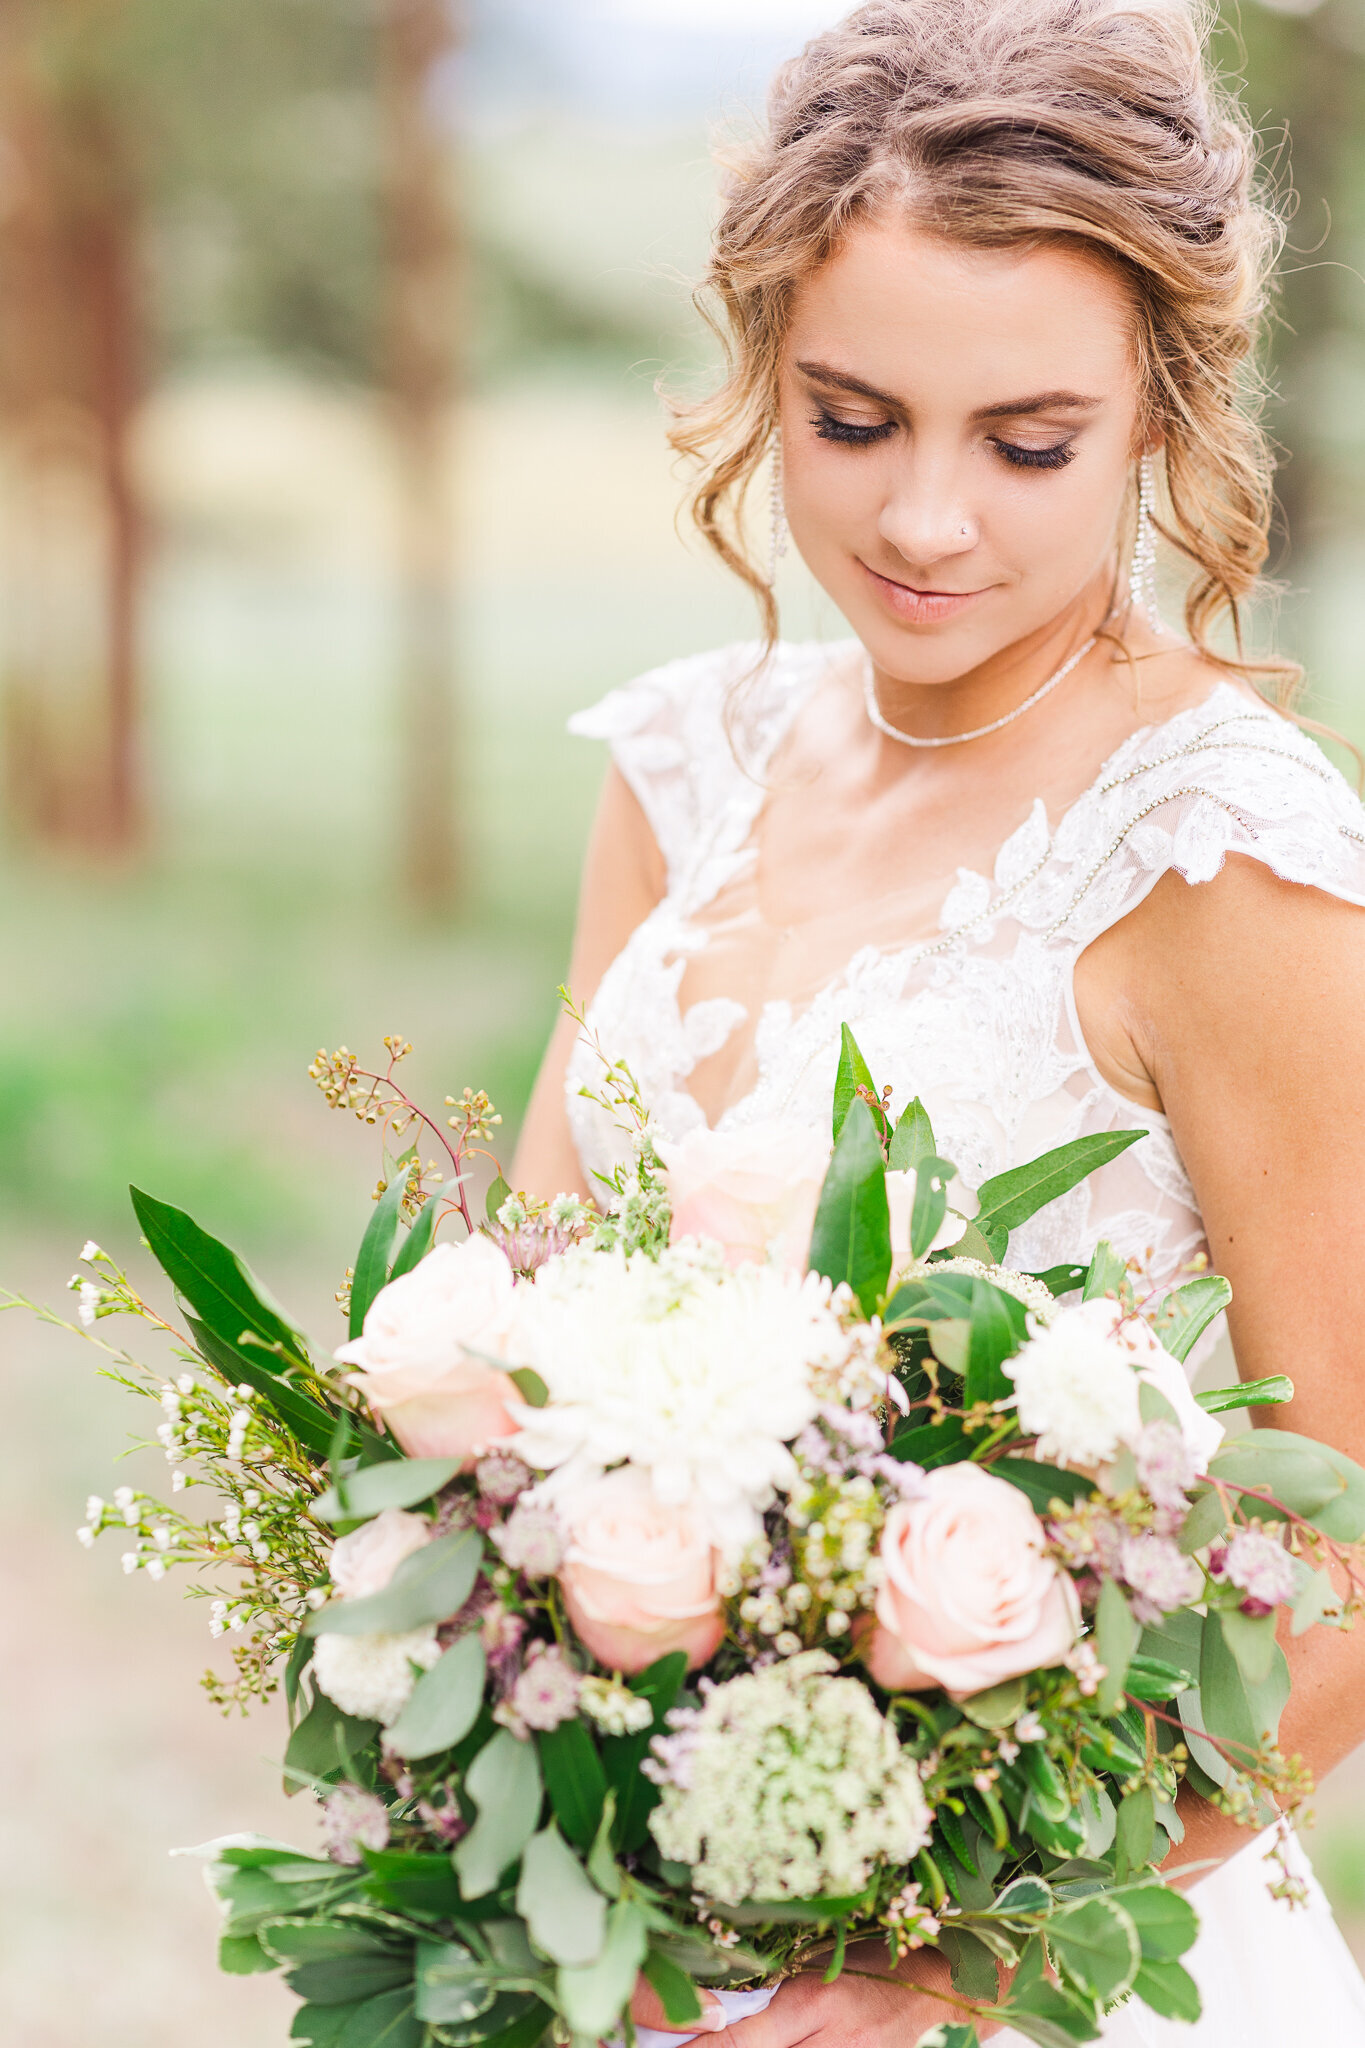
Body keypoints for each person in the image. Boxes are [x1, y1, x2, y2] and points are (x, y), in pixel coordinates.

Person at [514, 1, 1365, 2039]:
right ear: (759, 375)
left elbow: (1349, 1538)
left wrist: (941, 1964)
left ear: (1157, 408)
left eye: (1025, 441)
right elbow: (522, 1320)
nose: (920, 521)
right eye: (852, 417)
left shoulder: (1217, 859)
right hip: (641, 1928)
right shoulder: (683, 762)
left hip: (1035, 1956)